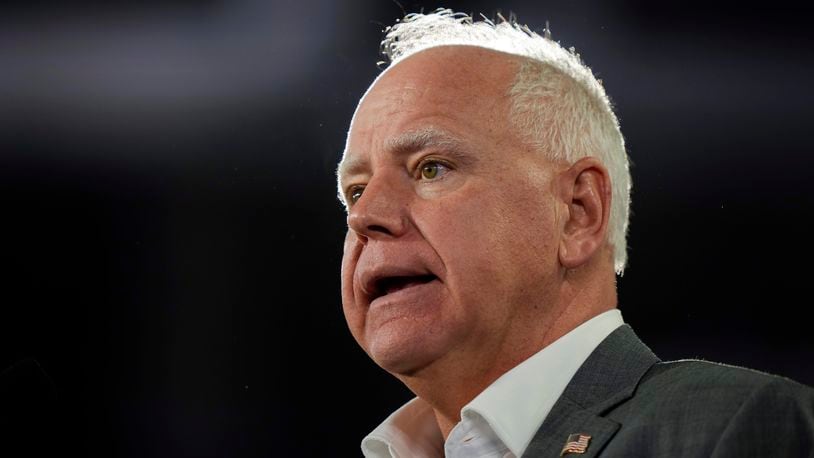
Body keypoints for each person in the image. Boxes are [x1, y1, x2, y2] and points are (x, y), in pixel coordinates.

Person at [336, 9, 814, 457]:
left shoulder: (723, 427)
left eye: (431, 168)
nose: (365, 216)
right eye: (356, 191)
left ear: (578, 213)